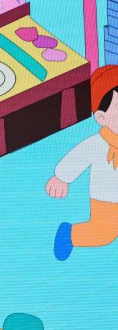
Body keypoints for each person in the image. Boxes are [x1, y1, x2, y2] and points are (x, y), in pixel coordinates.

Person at [48, 65, 118, 260]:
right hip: (107, 198)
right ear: (101, 117)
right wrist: (61, 178)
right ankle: (70, 235)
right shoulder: (98, 144)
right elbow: (79, 156)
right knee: (104, 233)